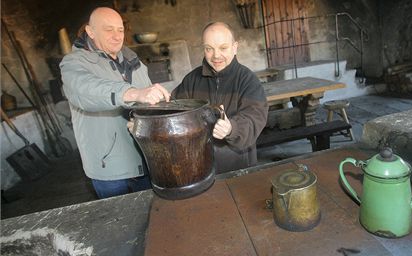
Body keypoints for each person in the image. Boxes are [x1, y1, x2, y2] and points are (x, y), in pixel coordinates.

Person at [59, 7, 170, 199]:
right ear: (90, 31)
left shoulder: (133, 60)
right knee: (119, 222)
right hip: (110, 169)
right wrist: (133, 93)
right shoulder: (74, 63)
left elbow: (147, 101)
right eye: (108, 29)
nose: (117, 36)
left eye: (120, 29)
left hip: (145, 159)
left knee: (152, 217)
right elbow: (86, 90)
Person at [172, 22, 268, 174]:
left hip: (238, 167)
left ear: (234, 47)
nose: (216, 55)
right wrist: (149, 116)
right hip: (198, 166)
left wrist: (231, 128)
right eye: (209, 49)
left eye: (223, 48)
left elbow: (254, 119)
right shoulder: (191, 80)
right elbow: (173, 110)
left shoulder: (248, 80)